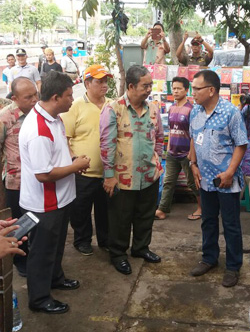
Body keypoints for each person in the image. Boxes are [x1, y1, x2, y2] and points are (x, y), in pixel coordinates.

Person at [19, 71, 90, 314]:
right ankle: (39, 299)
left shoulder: (54, 116)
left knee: (57, 245)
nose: (73, 99)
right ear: (56, 96)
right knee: (42, 251)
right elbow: (43, 174)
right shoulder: (38, 129)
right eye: (69, 95)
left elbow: (56, 153)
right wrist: (76, 166)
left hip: (61, 198)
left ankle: (55, 278)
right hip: (45, 202)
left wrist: (71, 160)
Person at [100, 65, 164, 275]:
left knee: (145, 216)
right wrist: (109, 176)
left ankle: (140, 248)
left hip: (149, 175)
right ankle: (118, 254)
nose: (149, 90)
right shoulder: (113, 108)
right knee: (120, 219)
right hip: (122, 178)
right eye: (145, 86)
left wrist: (158, 161)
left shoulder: (153, 108)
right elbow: (107, 144)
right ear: (131, 86)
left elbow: (159, 139)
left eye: (150, 85)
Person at [189, 70, 248, 288]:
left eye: (197, 88)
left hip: (226, 180)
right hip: (204, 179)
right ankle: (209, 258)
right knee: (208, 221)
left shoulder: (231, 112)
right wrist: (193, 164)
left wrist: (231, 172)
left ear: (211, 90)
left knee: (231, 224)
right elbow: (194, 138)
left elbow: (241, 144)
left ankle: (233, 266)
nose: (192, 92)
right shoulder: (195, 111)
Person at [61, 65, 112, 256]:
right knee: (80, 210)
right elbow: (64, 138)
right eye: (99, 81)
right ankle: (82, 240)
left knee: (105, 210)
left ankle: (105, 240)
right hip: (83, 173)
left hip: (107, 172)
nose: (104, 85)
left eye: (106, 81)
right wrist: (74, 159)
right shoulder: (75, 107)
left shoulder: (111, 105)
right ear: (87, 83)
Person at [0, 77, 39, 276]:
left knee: (37, 221)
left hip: (39, 180)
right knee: (18, 223)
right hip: (16, 182)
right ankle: (20, 259)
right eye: (28, 97)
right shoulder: (5, 118)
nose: (34, 100)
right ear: (15, 98)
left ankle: (36, 255)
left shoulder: (40, 114)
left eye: (35, 94)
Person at [155, 76, 201, 221]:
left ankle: (202, 208)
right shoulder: (172, 108)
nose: (175, 91)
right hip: (172, 153)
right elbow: (170, 130)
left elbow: (194, 134)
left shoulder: (191, 110)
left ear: (186, 90)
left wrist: (192, 156)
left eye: (179, 88)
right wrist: (168, 149)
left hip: (187, 154)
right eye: (174, 88)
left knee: (193, 183)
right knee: (168, 182)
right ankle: (162, 210)